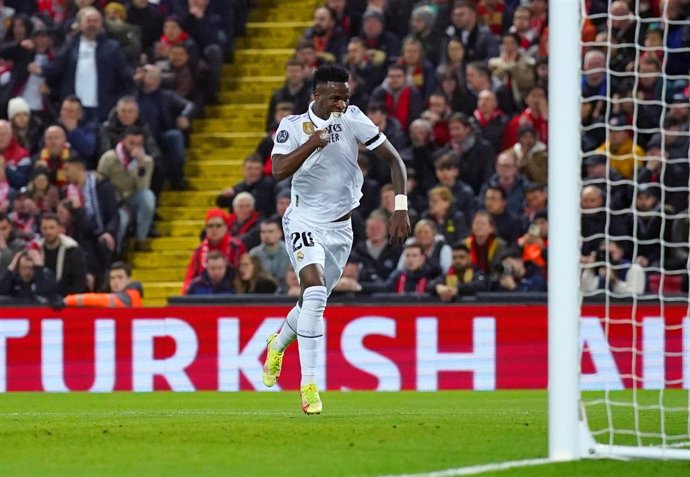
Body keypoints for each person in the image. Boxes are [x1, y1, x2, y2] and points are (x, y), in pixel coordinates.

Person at [262, 64, 410, 414]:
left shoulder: (354, 118)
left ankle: (277, 343)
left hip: (341, 229)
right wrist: (313, 142)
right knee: (313, 293)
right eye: (334, 97)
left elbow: (395, 161)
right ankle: (309, 385)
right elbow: (278, 170)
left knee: (312, 305)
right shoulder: (293, 127)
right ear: (315, 96)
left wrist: (400, 208)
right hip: (303, 221)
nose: (341, 103)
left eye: (345, 96)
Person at [97, 125, 155, 252]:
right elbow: (100, 183)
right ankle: (115, 254)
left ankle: (141, 239)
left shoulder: (147, 161)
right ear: (123, 141)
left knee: (148, 197)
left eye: (139, 143)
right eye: (131, 143)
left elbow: (143, 187)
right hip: (114, 201)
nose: (135, 147)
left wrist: (140, 166)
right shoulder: (109, 158)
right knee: (121, 220)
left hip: (133, 198)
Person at [182, 207, 246, 293]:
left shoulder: (237, 247)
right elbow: (190, 276)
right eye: (210, 226)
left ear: (225, 227)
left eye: (218, 225)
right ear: (206, 229)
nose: (214, 229)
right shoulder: (199, 250)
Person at [37, 212, 87, 296]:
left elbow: (79, 281)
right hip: (42, 298)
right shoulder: (37, 249)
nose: (48, 231)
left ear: (59, 228)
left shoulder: (73, 250)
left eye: (52, 228)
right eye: (44, 228)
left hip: (68, 298)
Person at [63, 261, 144, 307]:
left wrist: (66, 300)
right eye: (112, 278)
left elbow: (100, 300)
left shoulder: (130, 296)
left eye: (120, 277)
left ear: (129, 280)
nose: (115, 281)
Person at [249, 218, 291, 285]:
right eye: (263, 232)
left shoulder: (290, 251)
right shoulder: (254, 253)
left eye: (270, 231)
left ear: (279, 233)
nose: (266, 235)